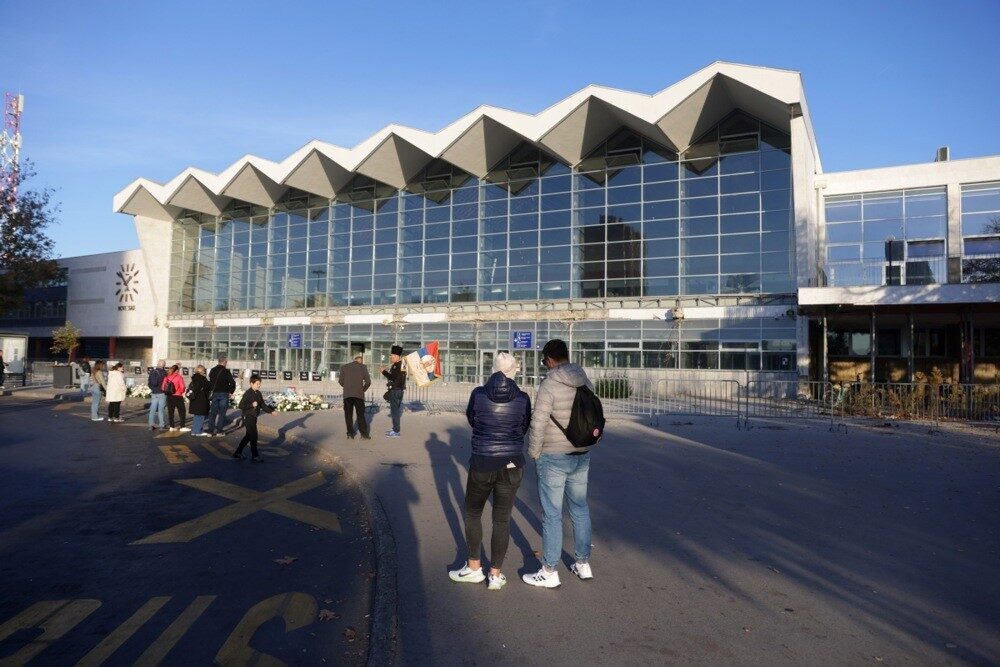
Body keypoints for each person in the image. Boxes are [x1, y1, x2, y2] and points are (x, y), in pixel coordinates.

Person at [449, 352, 531, 591]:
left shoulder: (478, 394)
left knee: (473, 513)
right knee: (502, 519)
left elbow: (472, 419)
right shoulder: (523, 398)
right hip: (512, 463)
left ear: (493, 369)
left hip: (483, 462)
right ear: (514, 370)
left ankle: (474, 567)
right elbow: (524, 426)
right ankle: (495, 574)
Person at [523, 339, 596, 588]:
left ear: (551, 360)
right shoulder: (584, 380)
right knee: (580, 508)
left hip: (553, 456)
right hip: (581, 452)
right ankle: (583, 564)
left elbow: (538, 422)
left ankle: (549, 570)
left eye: (544, 360)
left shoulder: (549, 384)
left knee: (552, 514)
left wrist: (534, 452)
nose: (545, 364)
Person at [232, 374, 274, 462]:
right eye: (257, 384)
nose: (259, 385)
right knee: (254, 436)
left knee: (248, 436)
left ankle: (237, 453)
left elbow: (262, 404)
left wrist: (271, 411)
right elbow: (241, 405)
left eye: (260, 383)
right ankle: (255, 456)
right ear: (252, 383)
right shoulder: (248, 393)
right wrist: (251, 405)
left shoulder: (258, 393)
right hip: (248, 416)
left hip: (254, 416)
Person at [339, 352, 372, 440]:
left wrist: (347, 387)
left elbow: (340, 381)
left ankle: (350, 434)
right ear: (360, 360)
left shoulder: (344, 367)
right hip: (359, 394)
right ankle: (364, 435)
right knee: (360, 415)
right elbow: (368, 382)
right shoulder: (363, 367)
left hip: (347, 394)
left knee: (348, 415)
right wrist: (363, 389)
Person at [207, 355, 237, 437]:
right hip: (224, 393)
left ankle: (210, 431)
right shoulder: (226, 371)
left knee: (213, 412)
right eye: (226, 362)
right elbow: (232, 383)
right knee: (222, 413)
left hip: (215, 393)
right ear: (224, 362)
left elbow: (211, 381)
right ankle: (219, 431)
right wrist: (231, 391)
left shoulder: (212, 370)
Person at [380, 345, 406, 438]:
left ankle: (396, 431)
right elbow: (398, 377)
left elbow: (393, 377)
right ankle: (395, 428)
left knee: (394, 412)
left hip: (395, 391)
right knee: (395, 411)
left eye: (393, 356)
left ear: (397, 356)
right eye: (391, 356)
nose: (391, 357)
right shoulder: (402, 364)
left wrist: (383, 372)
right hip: (399, 390)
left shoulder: (396, 365)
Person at [162, 364, 189, 432]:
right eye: (178, 370)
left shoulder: (167, 376)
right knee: (182, 411)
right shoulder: (179, 377)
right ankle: (182, 426)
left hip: (169, 396)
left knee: (171, 412)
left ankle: (172, 426)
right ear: (177, 370)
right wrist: (181, 392)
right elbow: (182, 387)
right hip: (178, 396)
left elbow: (162, 387)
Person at [187, 365, 211, 436]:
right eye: (204, 371)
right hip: (201, 400)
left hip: (194, 400)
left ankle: (194, 431)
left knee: (196, 416)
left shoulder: (194, 378)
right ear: (201, 371)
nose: (205, 372)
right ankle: (198, 431)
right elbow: (209, 387)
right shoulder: (202, 379)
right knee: (201, 416)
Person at [147, 360, 168, 430]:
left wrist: (153, 389)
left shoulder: (152, 371)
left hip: (154, 393)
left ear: (157, 364)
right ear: (164, 365)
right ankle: (161, 425)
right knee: (161, 410)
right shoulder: (164, 373)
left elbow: (149, 382)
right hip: (162, 393)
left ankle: (151, 425)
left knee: (152, 410)